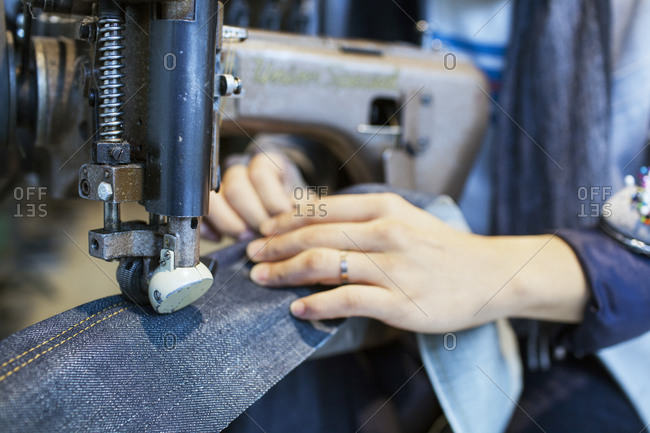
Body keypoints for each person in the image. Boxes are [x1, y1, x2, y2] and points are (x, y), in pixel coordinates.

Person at [207, 0, 650, 431]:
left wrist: (488, 271)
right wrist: (288, 161)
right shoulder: (348, 9)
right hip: (391, 295)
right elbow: (329, 106)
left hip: (583, 335)